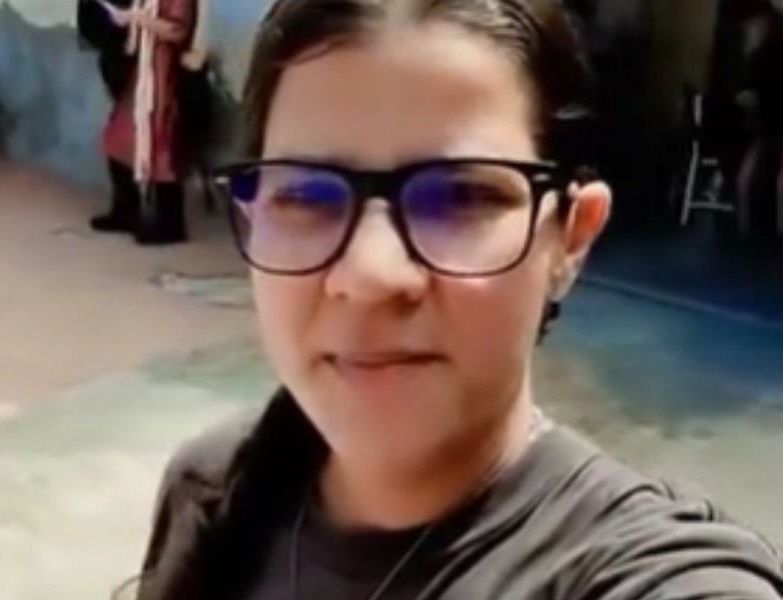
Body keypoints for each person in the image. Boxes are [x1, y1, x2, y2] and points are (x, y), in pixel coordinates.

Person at [130, 0, 783, 598]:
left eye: (461, 197)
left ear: (571, 237)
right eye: (303, 195)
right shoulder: (216, 492)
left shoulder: (642, 576)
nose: (371, 274)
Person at [87, 0, 197, 246]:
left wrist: (137, 18)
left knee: (163, 149)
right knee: (118, 139)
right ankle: (125, 211)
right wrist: (123, 19)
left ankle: (171, 226)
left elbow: (177, 31)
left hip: (166, 76)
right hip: (142, 73)